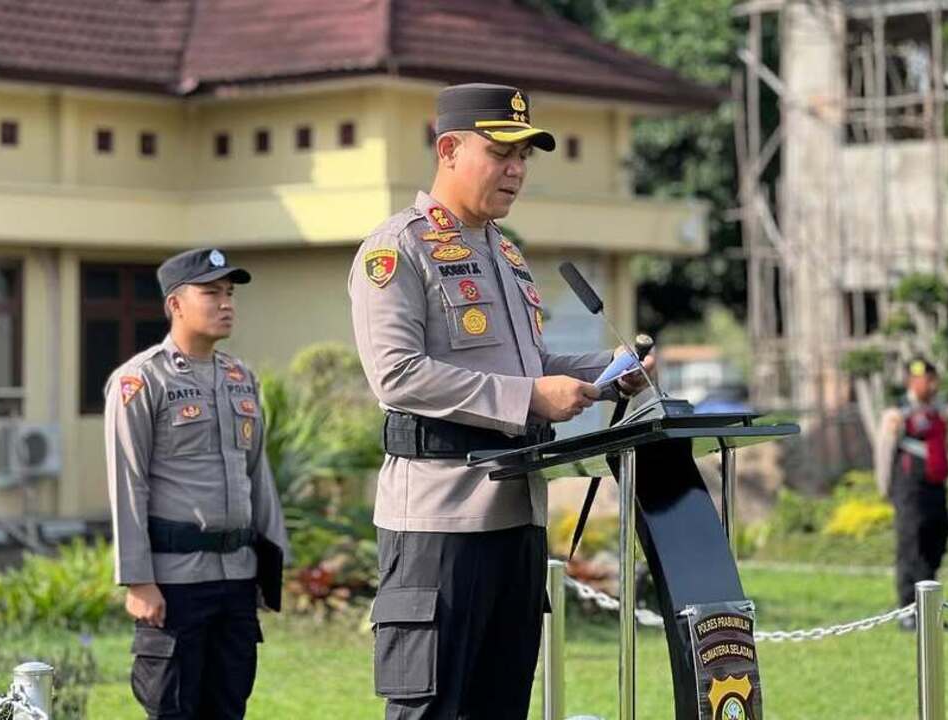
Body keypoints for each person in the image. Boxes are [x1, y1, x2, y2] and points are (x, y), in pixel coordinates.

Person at [348, 83, 654, 719]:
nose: (516, 169)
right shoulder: (398, 248)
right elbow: (397, 375)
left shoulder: (507, 256)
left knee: (502, 705)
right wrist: (529, 397)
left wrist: (605, 372)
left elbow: (529, 367)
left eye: (525, 156)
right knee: (432, 709)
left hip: (517, 516)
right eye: (501, 152)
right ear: (450, 149)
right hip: (438, 520)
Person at [105, 248, 288, 719]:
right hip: (175, 583)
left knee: (229, 708)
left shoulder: (240, 378)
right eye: (211, 293)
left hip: (236, 580)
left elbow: (258, 476)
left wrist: (270, 571)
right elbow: (128, 483)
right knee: (174, 709)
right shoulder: (141, 381)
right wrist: (139, 579)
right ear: (175, 304)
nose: (226, 303)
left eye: (229, 293)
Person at [875, 358, 948, 629]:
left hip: (934, 488)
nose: (931, 384)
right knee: (911, 547)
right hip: (909, 489)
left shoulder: (936, 411)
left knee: (934, 543)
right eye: (925, 379)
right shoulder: (898, 414)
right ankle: (907, 609)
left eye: (932, 378)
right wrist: (885, 487)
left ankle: (928, 610)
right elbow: (884, 451)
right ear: (912, 381)